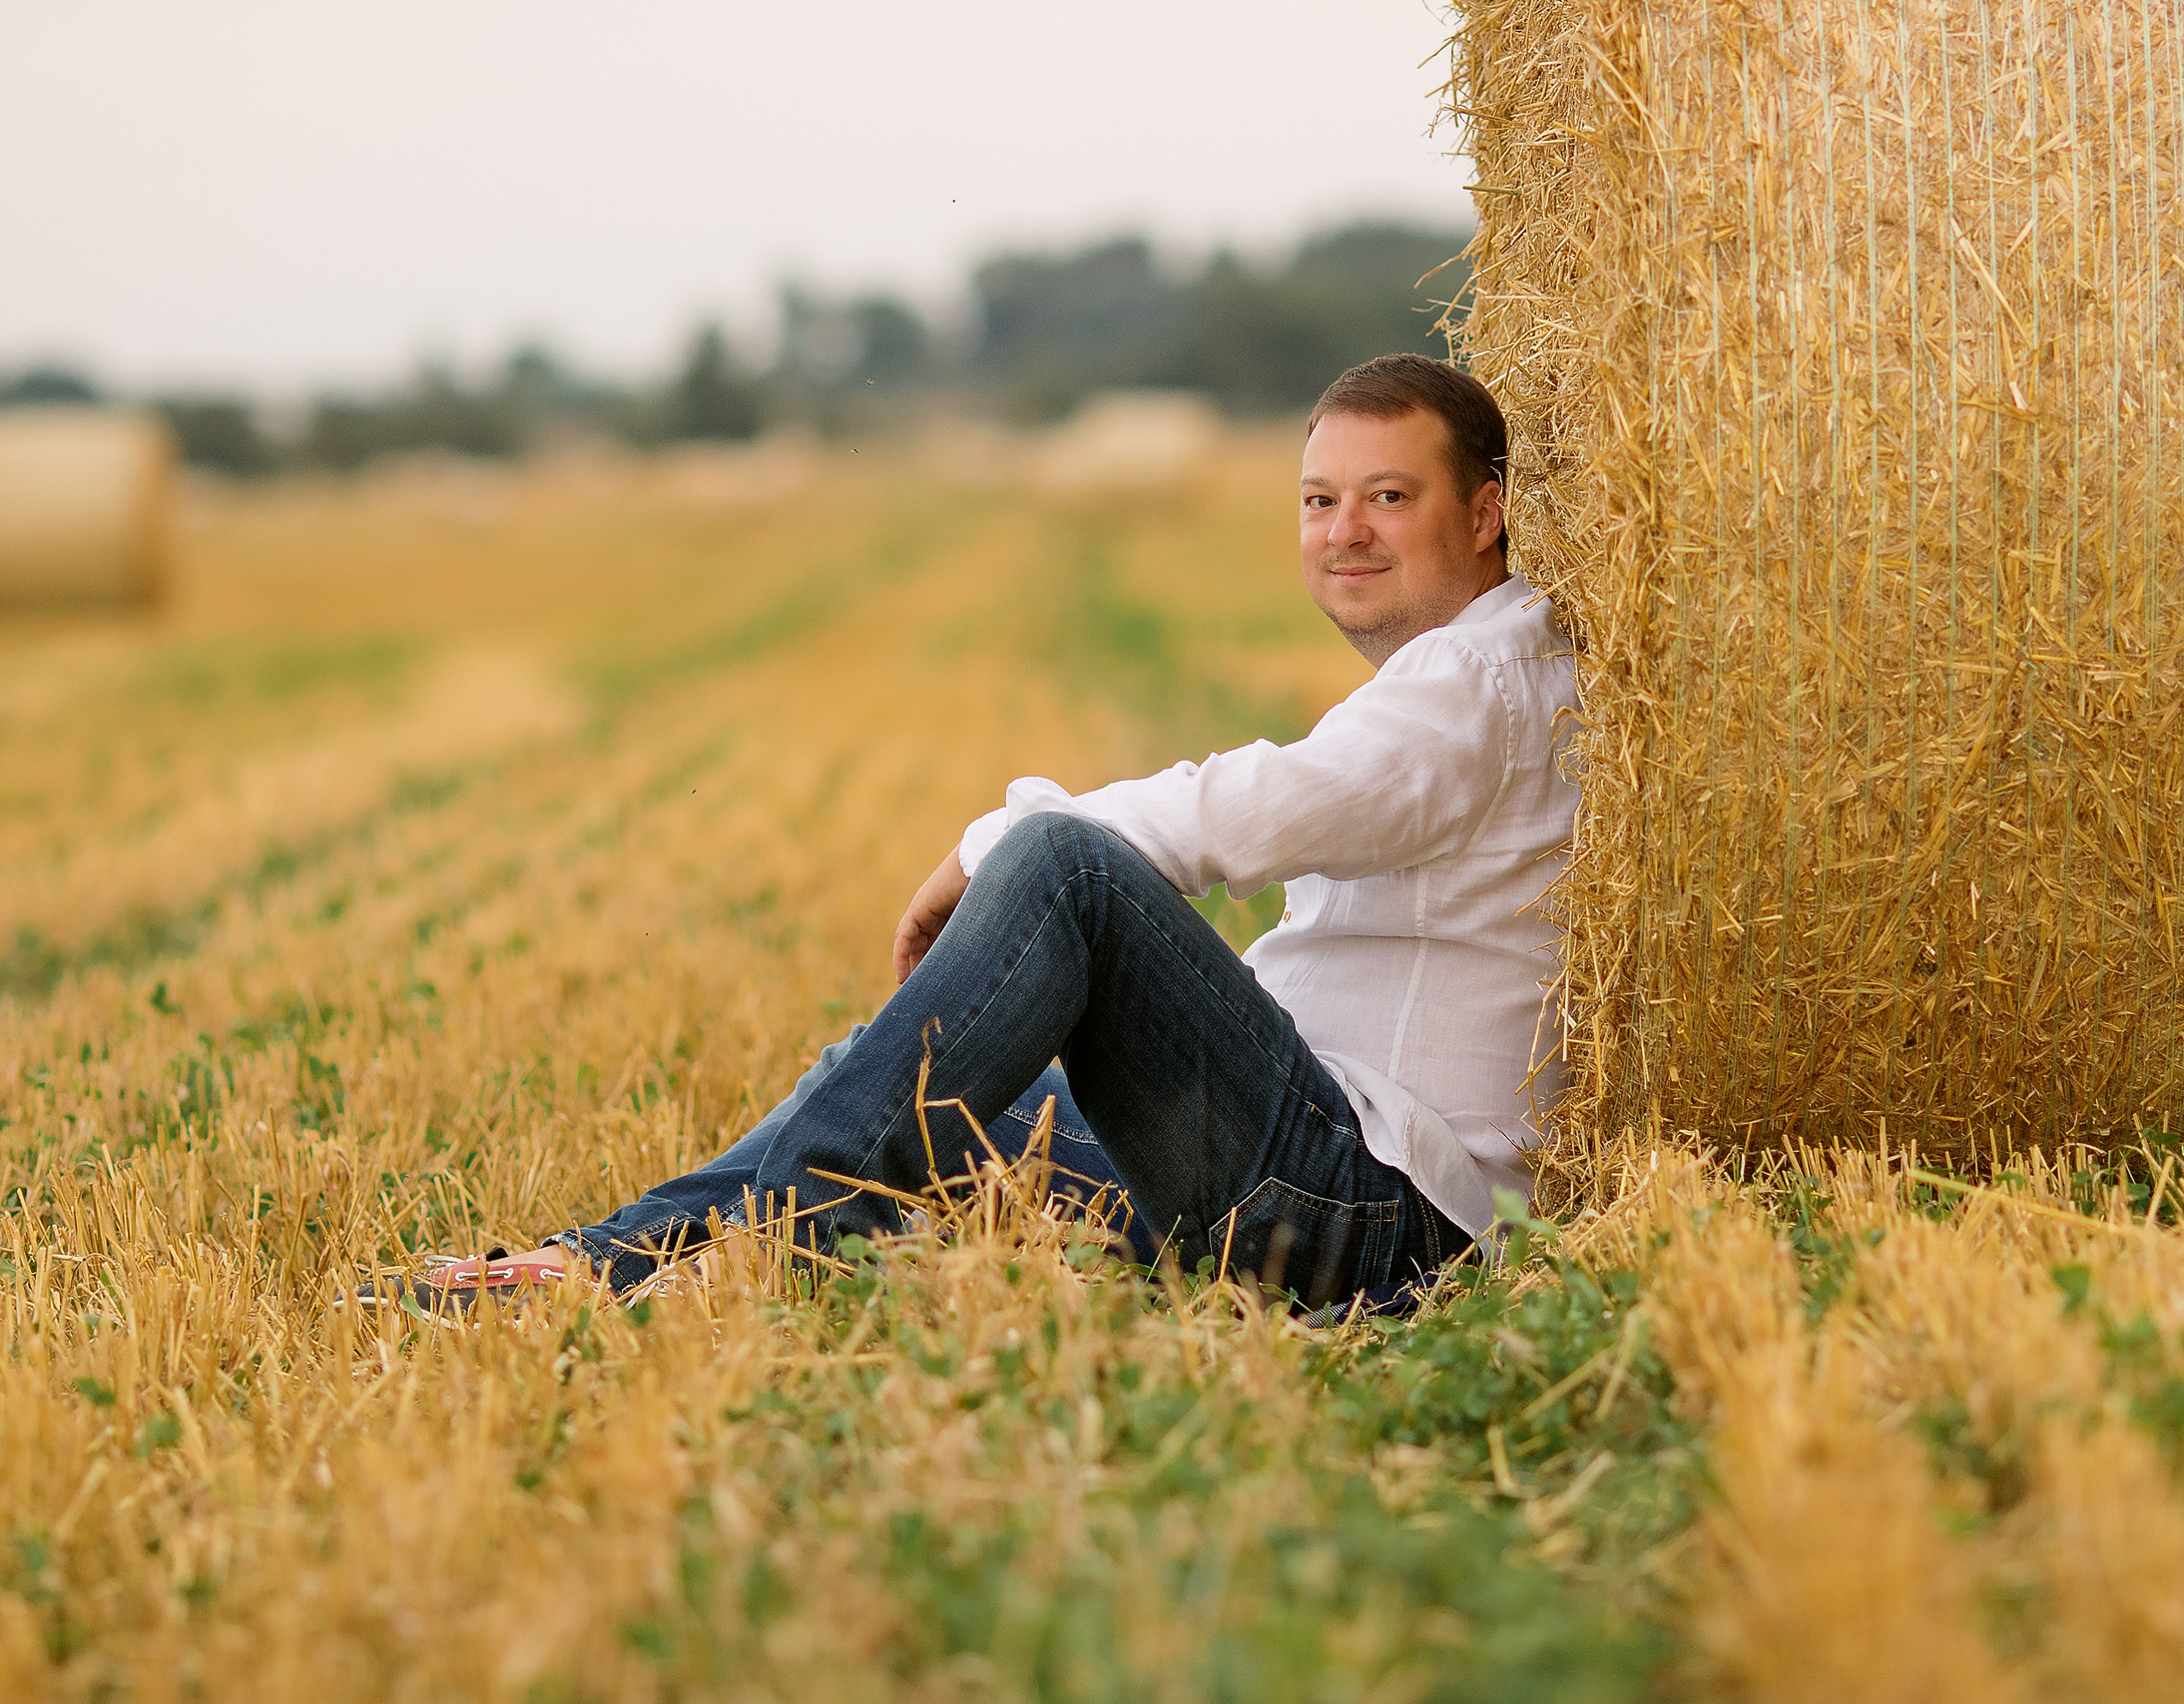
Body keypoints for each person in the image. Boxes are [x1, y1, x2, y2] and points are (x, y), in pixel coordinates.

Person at [364, 354, 1578, 1316]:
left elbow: (1242, 811)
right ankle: (602, 1263)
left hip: (1367, 1217)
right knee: (893, 1080)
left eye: (1388, 498)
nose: (1343, 532)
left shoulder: (1475, 685)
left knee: (1066, 870)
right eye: (1320, 501)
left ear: (1488, 513)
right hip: (1300, 1169)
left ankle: (767, 1237)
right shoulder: (1477, 671)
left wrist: (999, 836)